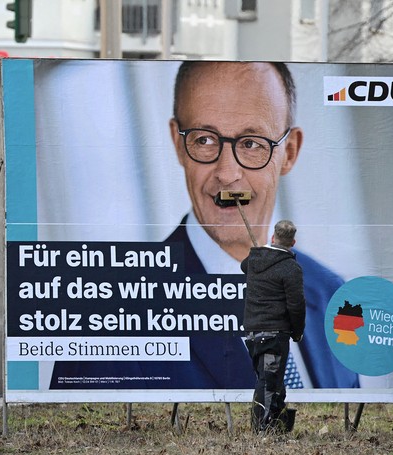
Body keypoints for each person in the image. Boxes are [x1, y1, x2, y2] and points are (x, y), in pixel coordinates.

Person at [50, 61, 358, 391]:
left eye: (252, 143)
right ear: (179, 143)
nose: (227, 173)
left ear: (290, 151)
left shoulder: (331, 297)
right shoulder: (112, 320)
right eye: (205, 140)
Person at [241, 220, 305, 433]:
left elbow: (244, 266)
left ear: (272, 237)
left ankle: (275, 424)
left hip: (252, 332)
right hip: (274, 334)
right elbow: (296, 305)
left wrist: (260, 252)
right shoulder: (290, 267)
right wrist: (297, 332)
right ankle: (262, 431)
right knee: (269, 382)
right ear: (293, 242)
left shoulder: (254, 259)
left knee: (270, 378)